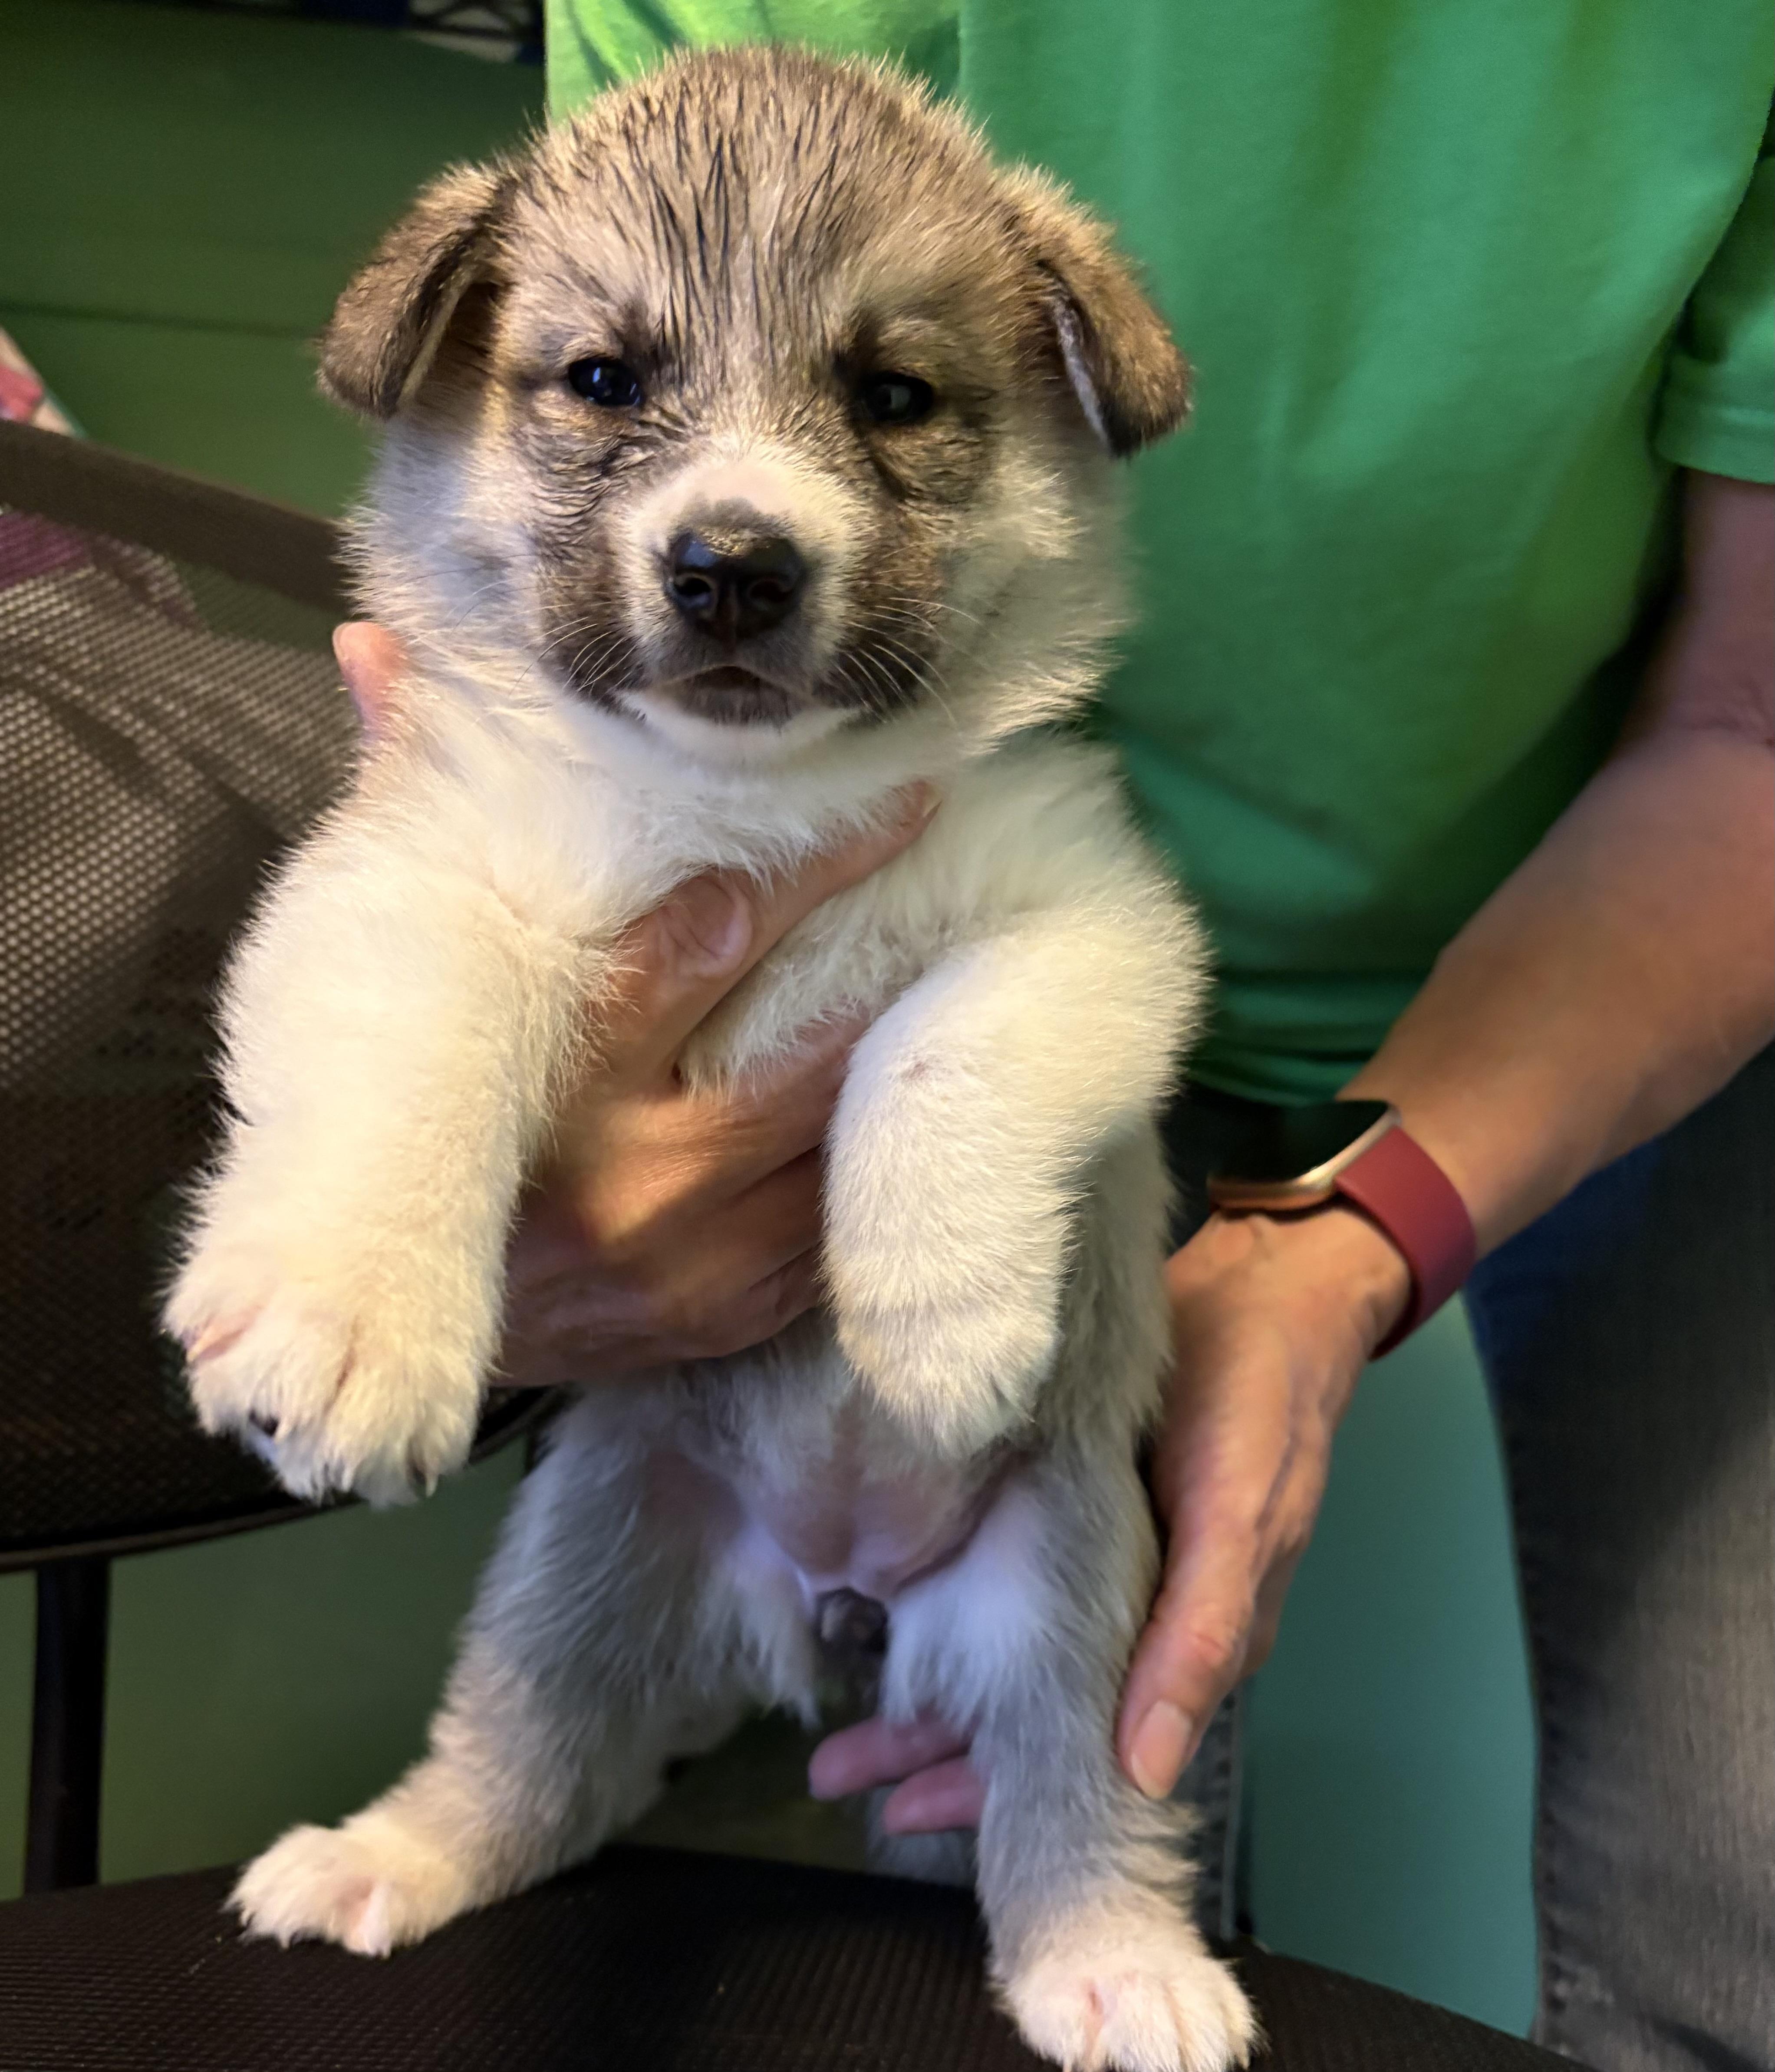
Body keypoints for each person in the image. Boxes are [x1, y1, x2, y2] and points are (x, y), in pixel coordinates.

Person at [341, 6, 1774, 2063]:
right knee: (1013, 1845)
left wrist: (1342, 1233)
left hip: (1642, 943)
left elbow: (1759, 719)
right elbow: (601, 475)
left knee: (1738, 1896)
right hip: (946, 915)